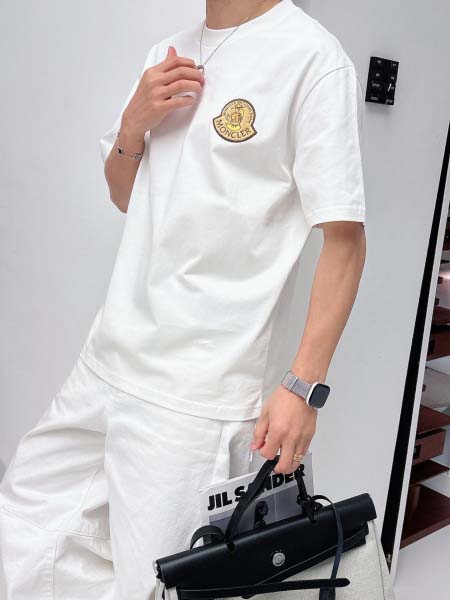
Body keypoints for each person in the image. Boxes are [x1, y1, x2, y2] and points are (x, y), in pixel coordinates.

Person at [0, 0, 367, 598]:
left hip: (199, 395)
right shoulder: (168, 52)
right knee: (25, 525)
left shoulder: (313, 59)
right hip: (109, 359)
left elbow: (345, 239)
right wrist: (132, 127)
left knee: (156, 583)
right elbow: (128, 196)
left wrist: (304, 387)